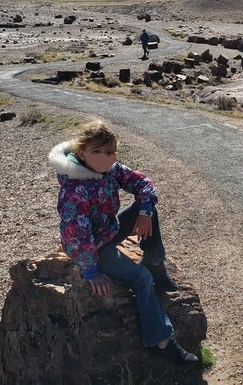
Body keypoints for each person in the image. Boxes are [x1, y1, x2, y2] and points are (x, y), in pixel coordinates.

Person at [48, 119, 198, 370]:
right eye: (97, 152)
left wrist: (146, 209)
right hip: (95, 248)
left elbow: (141, 182)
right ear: (81, 153)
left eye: (109, 152)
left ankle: (155, 263)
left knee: (144, 207)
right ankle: (160, 341)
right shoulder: (75, 188)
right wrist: (90, 270)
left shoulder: (110, 170)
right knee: (140, 279)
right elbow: (76, 234)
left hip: (109, 230)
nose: (105, 157)